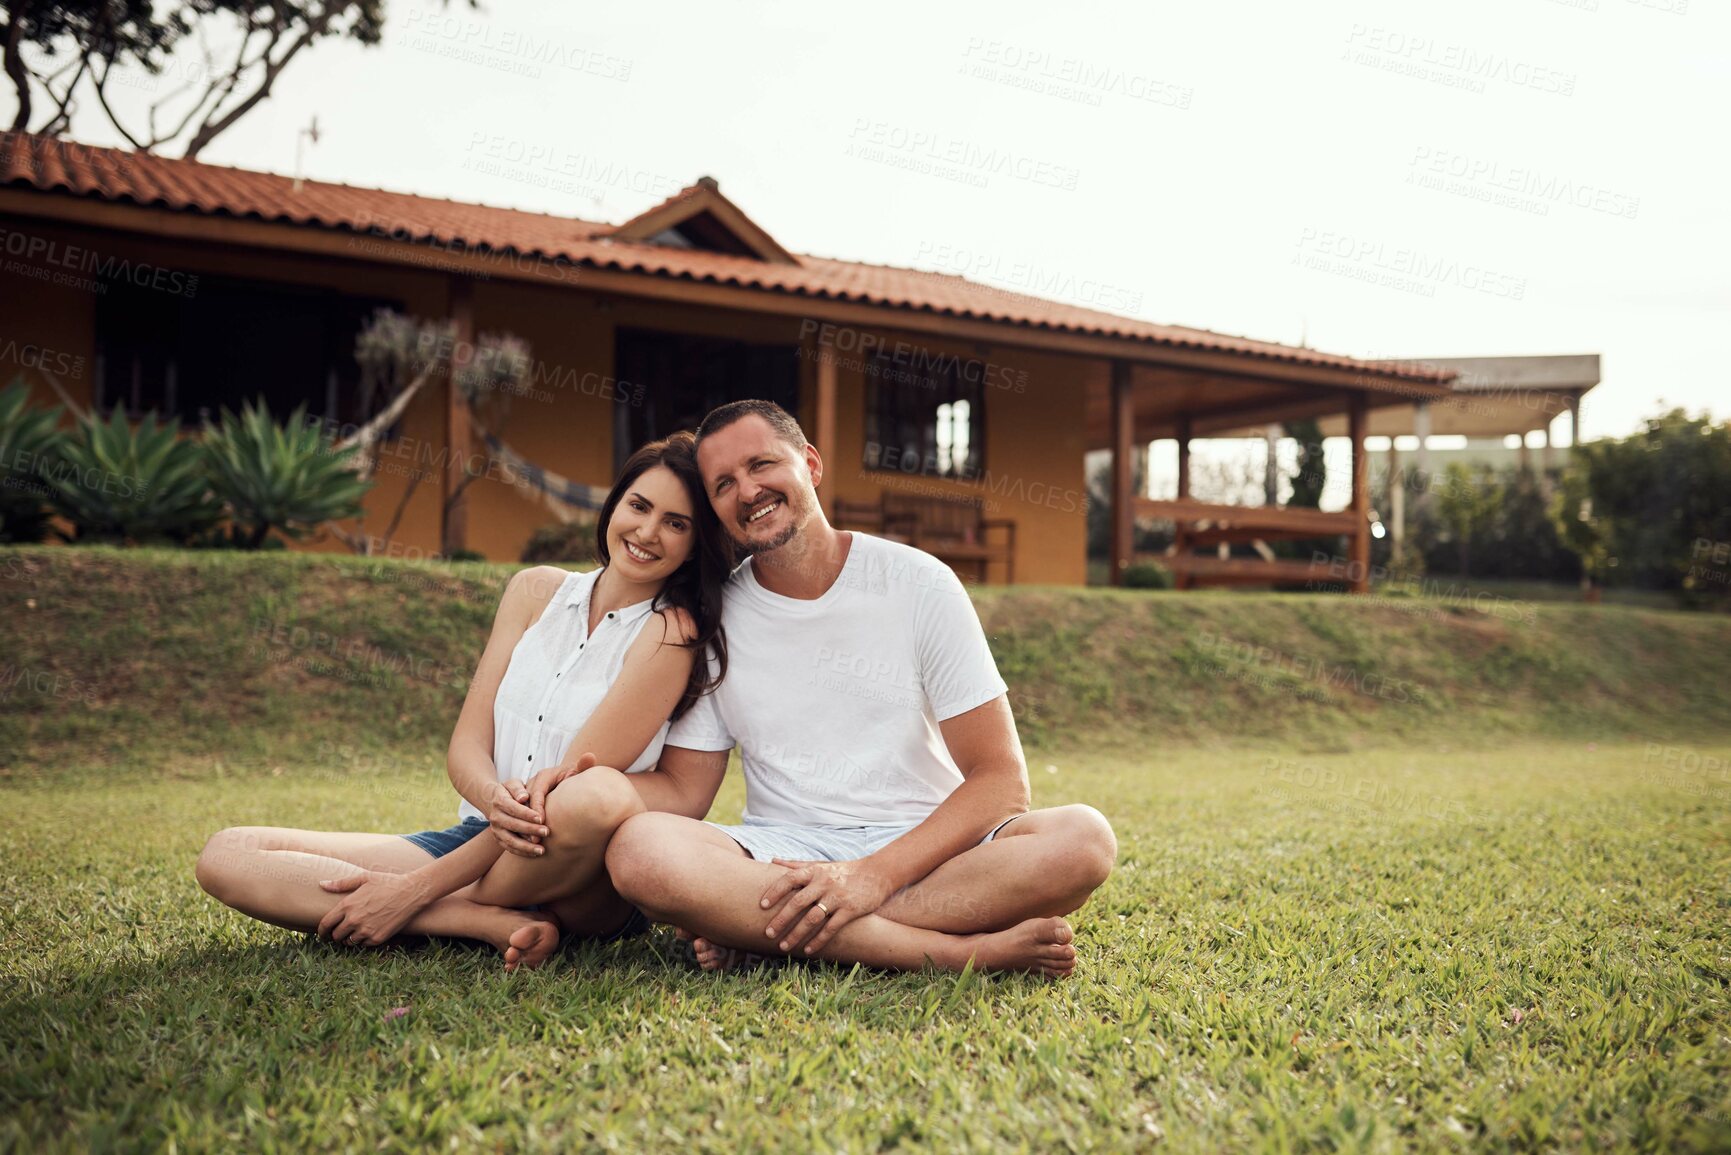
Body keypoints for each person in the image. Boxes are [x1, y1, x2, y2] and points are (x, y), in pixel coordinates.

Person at [603, 400, 1117, 978]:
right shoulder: (713, 617)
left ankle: (767, 931)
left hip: (930, 849)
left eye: (761, 465)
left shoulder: (920, 583)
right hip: (788, 849)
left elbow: (1000, 782)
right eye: (723, 484)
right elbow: (684, 789)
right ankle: (955, 953)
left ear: (811, 464)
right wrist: (574, 791)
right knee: (639, 850)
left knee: (1082, 840)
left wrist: (869, 878)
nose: (747, 491)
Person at [194, 432, 732, 970]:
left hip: (578, 870)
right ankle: (477, 921)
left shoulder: (670, 633)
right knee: (228, 854)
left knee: (592, 796)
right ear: (614, 505)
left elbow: (563, 792)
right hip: (478, 842)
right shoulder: (533, 591)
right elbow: (468, 743)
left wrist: (411, 889)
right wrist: (491, 798)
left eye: (676, 523)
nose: (647, 532)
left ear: (694, 543)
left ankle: (438, 902)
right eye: (638, 506)